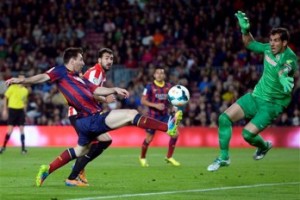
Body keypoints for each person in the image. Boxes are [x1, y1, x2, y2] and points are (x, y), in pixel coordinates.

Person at [5, 47, 183, 187]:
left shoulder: (80, 78)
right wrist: (21, 80)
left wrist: (113, 89)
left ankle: (48, 169)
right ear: (73, 60)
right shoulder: (59, 71)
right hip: (89, 118)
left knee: (79, 150)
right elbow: (41, 78)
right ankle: (169, 127)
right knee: (130, 115)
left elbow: (97, 90)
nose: (83, 62)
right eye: (81, 59)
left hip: (84, 122)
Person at [207, 11, 298, 172]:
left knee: (247, 135)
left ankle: (263, 146)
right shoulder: (268, 49)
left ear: (285, 43)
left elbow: (286, 68)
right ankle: (224, 157)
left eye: (276, 41)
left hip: (272, 105)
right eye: (271, 40)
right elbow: (249, 44)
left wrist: (283, 75)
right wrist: (245, 31)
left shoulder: (290, 57)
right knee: (224, 119)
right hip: (256, 96)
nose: (272, 44)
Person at [67, 48, 116, 185]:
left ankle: (78, 170)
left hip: (86, 114)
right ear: (99, 59)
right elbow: (89, 93)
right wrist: (105, 99)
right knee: (93, 144)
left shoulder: (100, 73)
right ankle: (74, 175)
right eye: (106, 58)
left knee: (104, 141)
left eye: (111, 59)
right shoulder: (96, 72)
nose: (109, 61)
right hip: (79, 113)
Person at [139, 67, 181, 167]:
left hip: (165, 116)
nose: (159, 75)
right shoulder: (149, 87)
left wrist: (174, 108)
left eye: (162, 73)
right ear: (154, 75)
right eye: (157, 73)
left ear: (164, 75)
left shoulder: (169, 86)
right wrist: (155, 105)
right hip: (153, 117)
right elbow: (143, 101)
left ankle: (169, 157)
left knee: (175, 134)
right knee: (149, 139)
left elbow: (173, 100)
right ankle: (142, 158)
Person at [0, 74, 29, 154]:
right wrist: (5, 110)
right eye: (20, 78)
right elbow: (6, 97)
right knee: (10, 130)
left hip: (20, 111)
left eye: (23, 78)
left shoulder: (25, 90)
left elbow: (24, 102)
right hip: (12, 110)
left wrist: (25, 112)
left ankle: (23, 149)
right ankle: (3, 147)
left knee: (22, 129)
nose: (22, 80)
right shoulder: (12, 88)